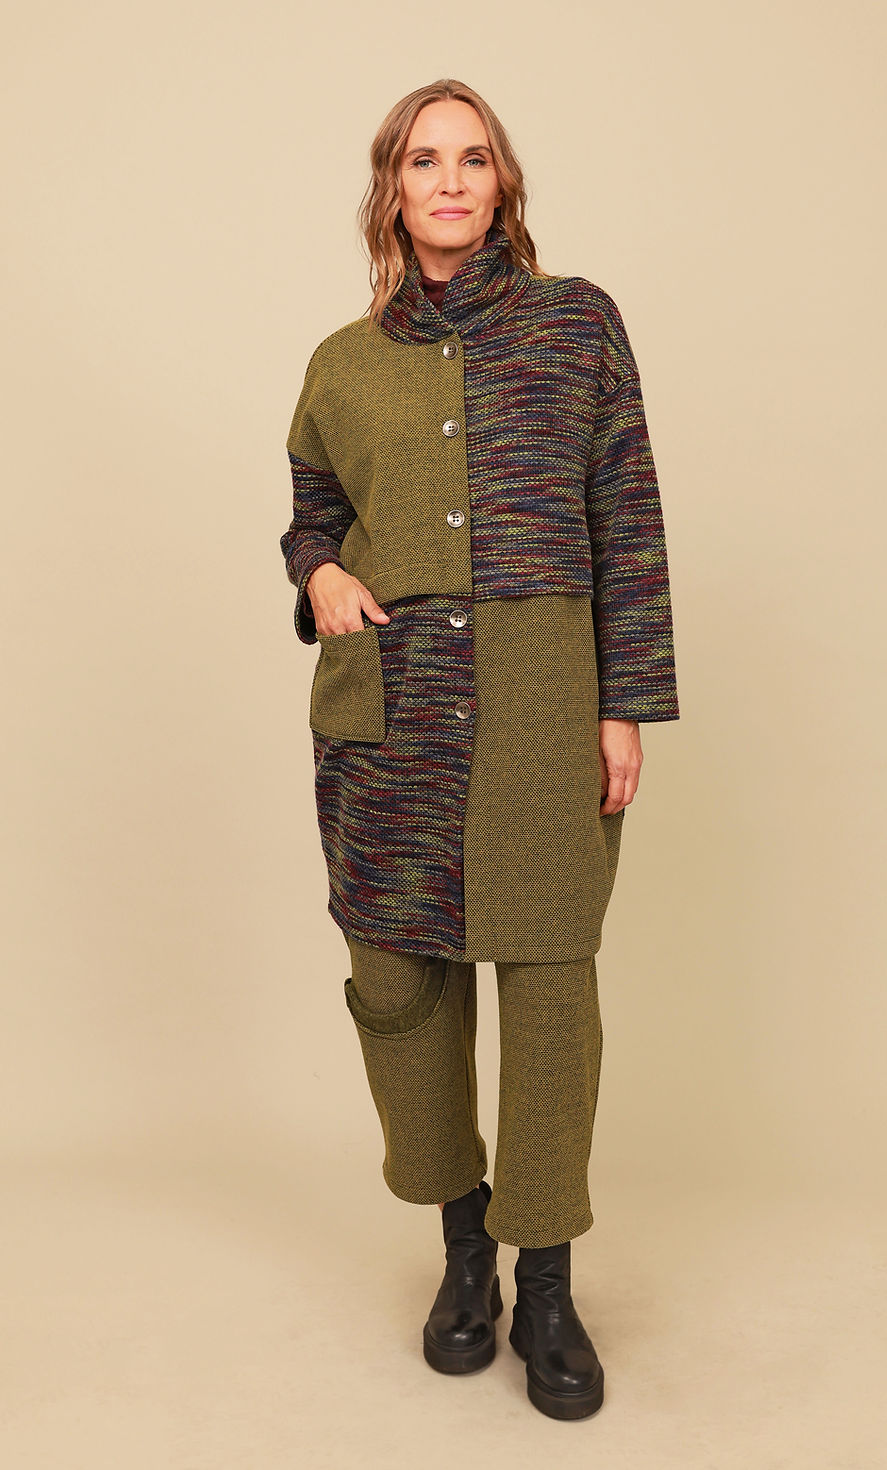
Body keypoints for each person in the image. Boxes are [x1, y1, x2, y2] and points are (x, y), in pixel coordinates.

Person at [280, 78, 679, 1421]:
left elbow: (627, 515)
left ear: (502, 183)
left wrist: (626, 702)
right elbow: (312, 510)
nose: (449, 182)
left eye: (473, 159)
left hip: (544, 703)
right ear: (391, 190)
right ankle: (464, 1256)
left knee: (553, 992)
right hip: (388, 715)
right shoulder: (341, 362)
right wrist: (322, 573)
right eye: (423, 161)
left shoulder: (577, 324)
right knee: (403, 986)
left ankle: (547, 1280)